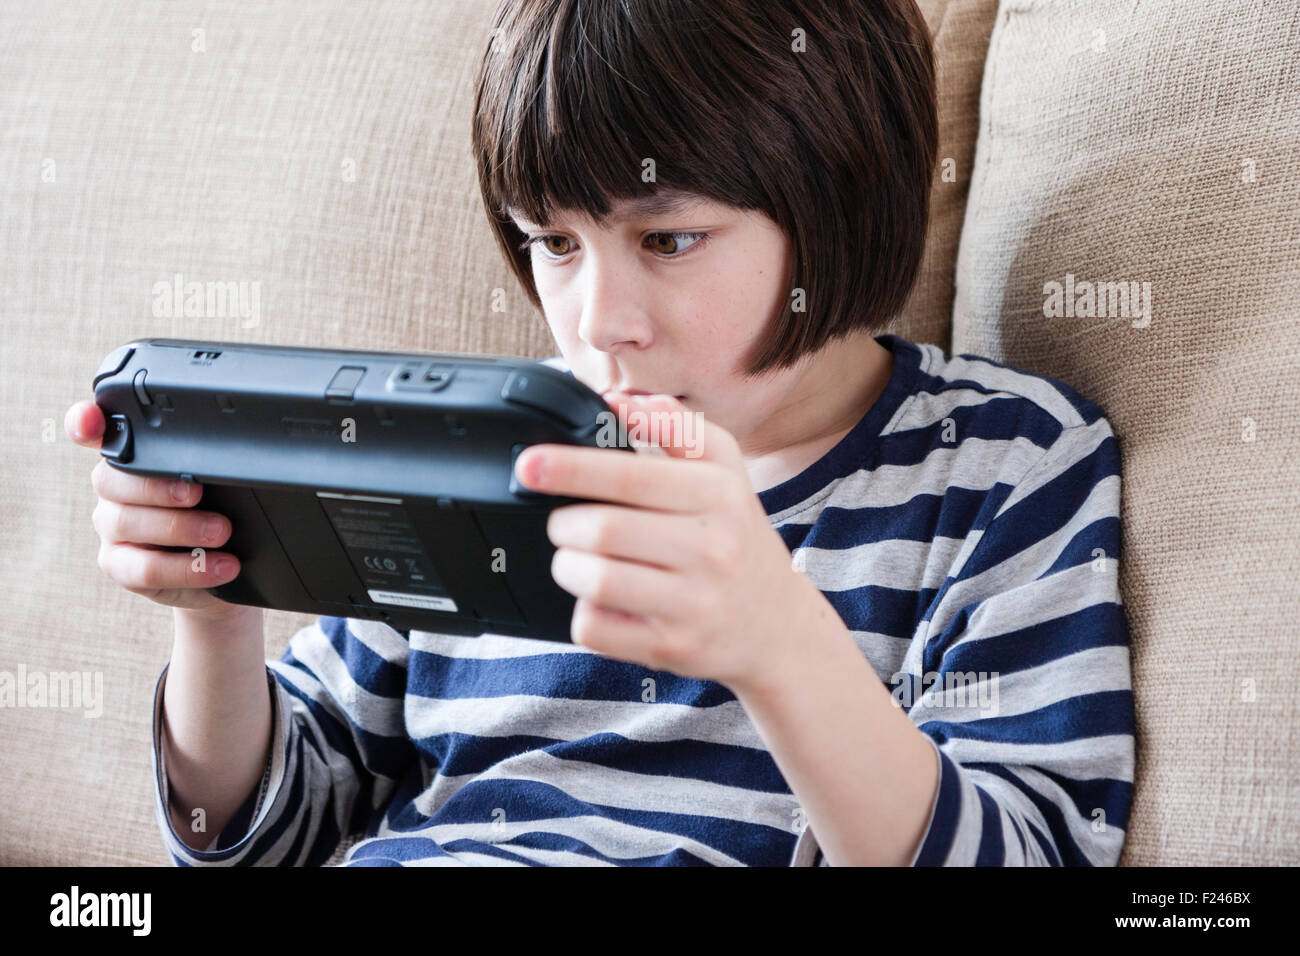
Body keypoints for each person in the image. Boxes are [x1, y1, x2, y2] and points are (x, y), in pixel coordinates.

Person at [65, 0, 1133, 865]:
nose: (596, 321)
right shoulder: (485, 451)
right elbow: (257, 833)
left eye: (668, 237)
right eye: (554, 242)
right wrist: (213, 609)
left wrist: (775, 641)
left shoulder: (1002, 465)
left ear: (840, 193)